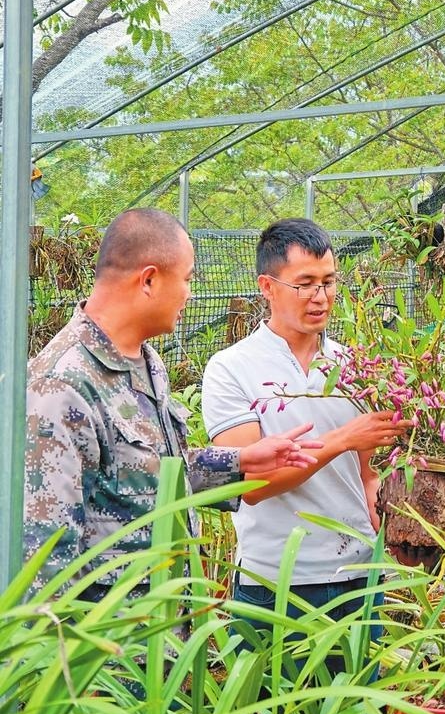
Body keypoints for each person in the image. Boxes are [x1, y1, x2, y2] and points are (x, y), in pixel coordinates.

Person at [23, 208, 322, 598]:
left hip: (159, 635)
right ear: (149, 280)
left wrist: (239, 462)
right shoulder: (62, 384)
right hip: (107, 644)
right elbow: (43, 556)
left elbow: (151, 471)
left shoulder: (145, 362)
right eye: (187, 279)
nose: (190, 293)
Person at [200, 217, 408, 677]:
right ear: (267, 287)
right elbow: (251, 485)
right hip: (276, 581)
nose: (320, 296)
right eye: (305, 283)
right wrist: (341, 441)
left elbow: (367, 471)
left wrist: (388, 519)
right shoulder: (232, 368)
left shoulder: (352, 365)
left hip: (356, 578)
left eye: (329, 282)